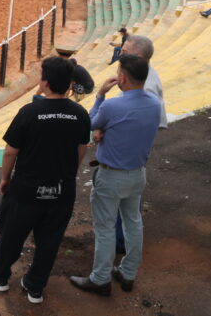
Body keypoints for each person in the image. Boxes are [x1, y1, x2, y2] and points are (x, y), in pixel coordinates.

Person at [0, 57, 91, 304]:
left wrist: (5, 178)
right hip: (61, 188)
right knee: (50, 240)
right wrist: (69, 174)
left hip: (27, 188)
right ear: (70, 84)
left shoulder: (30, 112)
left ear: (45, 83)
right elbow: (82, 148)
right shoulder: (80, 114)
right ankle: (35, 286)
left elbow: (10, 151)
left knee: (11, 234)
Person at [69, 54, 162, 297]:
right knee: (133, 222)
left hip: (111, 176)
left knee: (105, 228)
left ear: (122, 78)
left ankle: (100, 279)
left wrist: (100, 95)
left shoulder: (112, 106)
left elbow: (89, 123)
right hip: (137, 173)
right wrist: (105, 129)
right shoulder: (155, 104)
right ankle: (128, 273)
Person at [113, 35, 167, 254]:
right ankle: (123, 243)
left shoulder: (148, 87)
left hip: (128, 156)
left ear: (139, 56)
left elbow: (149, 121)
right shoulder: (140, 78)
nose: (120, 54)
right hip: (131, 155)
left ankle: (121, 244)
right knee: (126, 203)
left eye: (125, 52)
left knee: (123, 203)